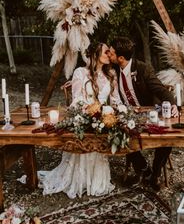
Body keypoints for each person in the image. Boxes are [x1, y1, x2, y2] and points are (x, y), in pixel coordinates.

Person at [39, 42, 122, 199]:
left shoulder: (111, 74)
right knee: (86, 129)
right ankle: (80, 180)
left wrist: (119, 111)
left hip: (102, 118)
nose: (109, 55)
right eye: (106, 52)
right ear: (95, 55)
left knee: (104, 127)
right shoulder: (80, 73)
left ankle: (96, 180)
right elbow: (76, 100)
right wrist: (90, 111)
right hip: (85, 116)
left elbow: (116, 99)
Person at [108, 36, 178, 190]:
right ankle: (143, 169)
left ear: (120, 58)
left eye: (111, 53)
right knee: (118, 133)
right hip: (127, 115)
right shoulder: (113, 71)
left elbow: (161, 90)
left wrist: (173, 104)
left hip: (150, 113)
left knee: (168, 137)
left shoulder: (142, 68)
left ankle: (156, 173)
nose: (108, 55)